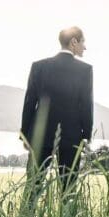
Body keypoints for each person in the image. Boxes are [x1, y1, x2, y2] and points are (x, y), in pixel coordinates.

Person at [20, 26, 94, 188]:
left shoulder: (38, 66)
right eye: (83, 42)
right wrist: (87, 136)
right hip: (71, 138)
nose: (85, 47)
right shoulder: (85, 70)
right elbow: (86, 106)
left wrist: (25, 135)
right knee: (68, 190)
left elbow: (29, 103)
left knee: (32, 188)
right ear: (73, 42)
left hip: (40, 136)